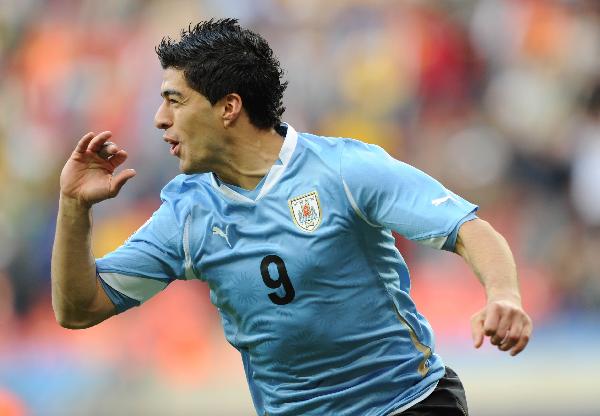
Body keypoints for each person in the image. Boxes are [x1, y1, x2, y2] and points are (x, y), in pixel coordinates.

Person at [52, 19, 532, 416]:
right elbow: (79, 308)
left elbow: (468, 229)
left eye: (174, 100)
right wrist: (74, 208)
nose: (158, 118)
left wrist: (504, 294)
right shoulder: (187, 213)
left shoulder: (344, 169)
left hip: (406, 403)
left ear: (229, 108)